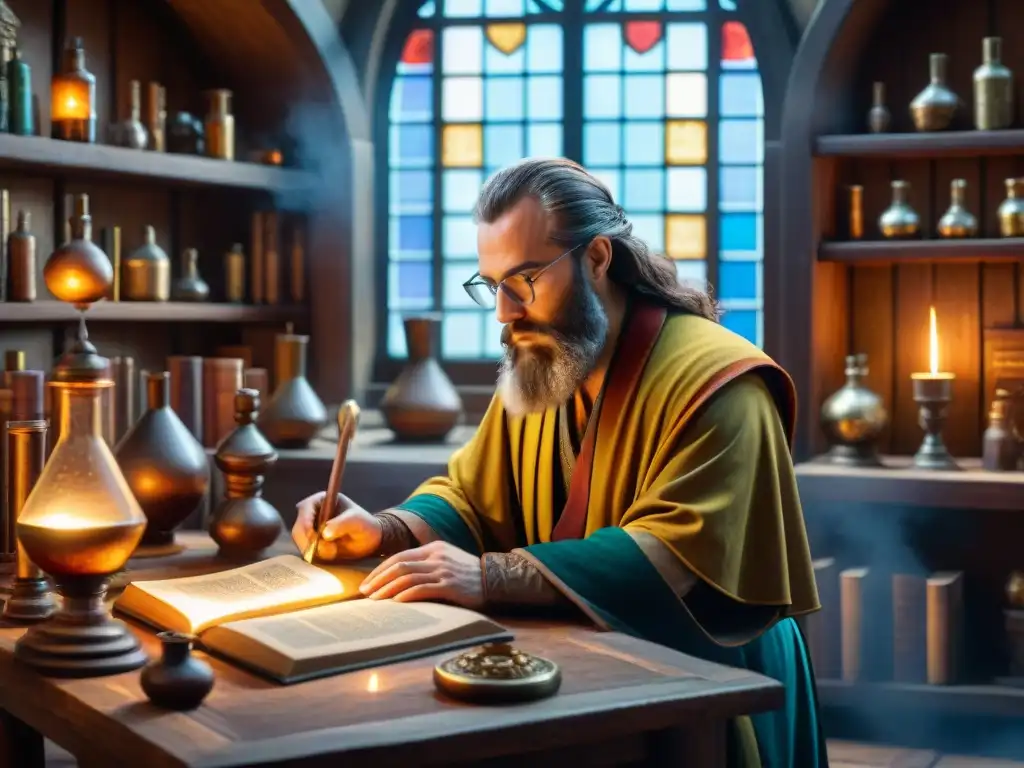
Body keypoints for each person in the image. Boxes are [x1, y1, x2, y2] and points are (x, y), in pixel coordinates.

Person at [293, 157, 826, 767]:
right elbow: (472, 494)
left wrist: (489, 577)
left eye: (524, 281)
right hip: (585, 660)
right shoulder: (546, 364)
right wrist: (383, 528)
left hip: (710, 678)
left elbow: (676, 553)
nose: (504, 313)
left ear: (597, 258)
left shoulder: (722, 383)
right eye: (492, 286)